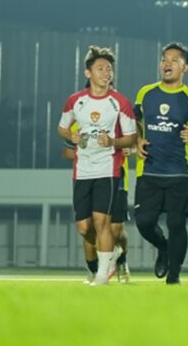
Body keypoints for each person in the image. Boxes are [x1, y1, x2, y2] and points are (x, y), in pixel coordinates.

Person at [57, 46, 138, 286]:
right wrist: (69, 137)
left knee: (103, 221)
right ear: (88, 72)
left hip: (108, 170)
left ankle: (102, 274)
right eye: (101, 68)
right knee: (84, 228)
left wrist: (113, 141)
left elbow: (132, 138)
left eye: (109, 69)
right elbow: (62, 128)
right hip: (82, 172)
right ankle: (109, 252)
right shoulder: (75, 101)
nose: (106, 73)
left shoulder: (120, 102)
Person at [133, 42, 188, 285]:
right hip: (148, 169)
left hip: (180, 171)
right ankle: (164, 249)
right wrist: (137, 140)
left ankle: (174, 275)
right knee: (144, 222)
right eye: (164, 59)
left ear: (185, 67)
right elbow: (133, 121)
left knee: (176, 222)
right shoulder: (145, 93)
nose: (167, 63)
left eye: (174, 60)